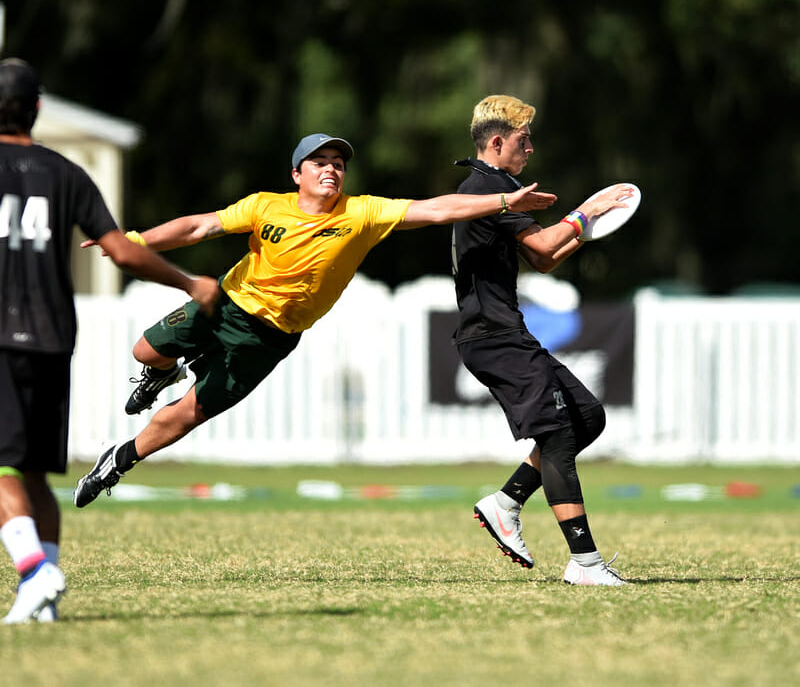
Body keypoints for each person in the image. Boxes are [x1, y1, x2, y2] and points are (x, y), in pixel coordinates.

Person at [72, 132, 558, 507]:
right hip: (223, 302)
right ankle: (163, 371)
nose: (331, 170)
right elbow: (200, 226)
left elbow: (434, 211)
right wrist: (133, 240)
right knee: (143, 351)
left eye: (339, 164)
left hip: (270, 338)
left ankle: (117, 460)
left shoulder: (363, 213)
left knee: (187, 414)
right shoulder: (266, 205)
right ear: (297, 174)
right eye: (320, 163)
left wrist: (503, 201)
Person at [0, 58, 220, 624]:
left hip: (1, 335)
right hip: (52, 337)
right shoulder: (65, 173)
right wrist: (188, 281)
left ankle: (34, 571)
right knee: (32, 474)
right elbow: (122, 250)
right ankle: (40, 604)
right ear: (38, 109)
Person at [452, 95, 633, 586]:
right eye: (522, 140)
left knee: (586, 417)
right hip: (493, 336)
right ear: (497, 142)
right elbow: (544, 244)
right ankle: (585, 563)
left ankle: (506, 501)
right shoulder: (488, 186)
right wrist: (585, 211)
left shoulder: (498, 188)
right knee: (557, 434)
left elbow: (544, 259)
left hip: (503, 332)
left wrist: (586, 228)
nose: (530, 148)